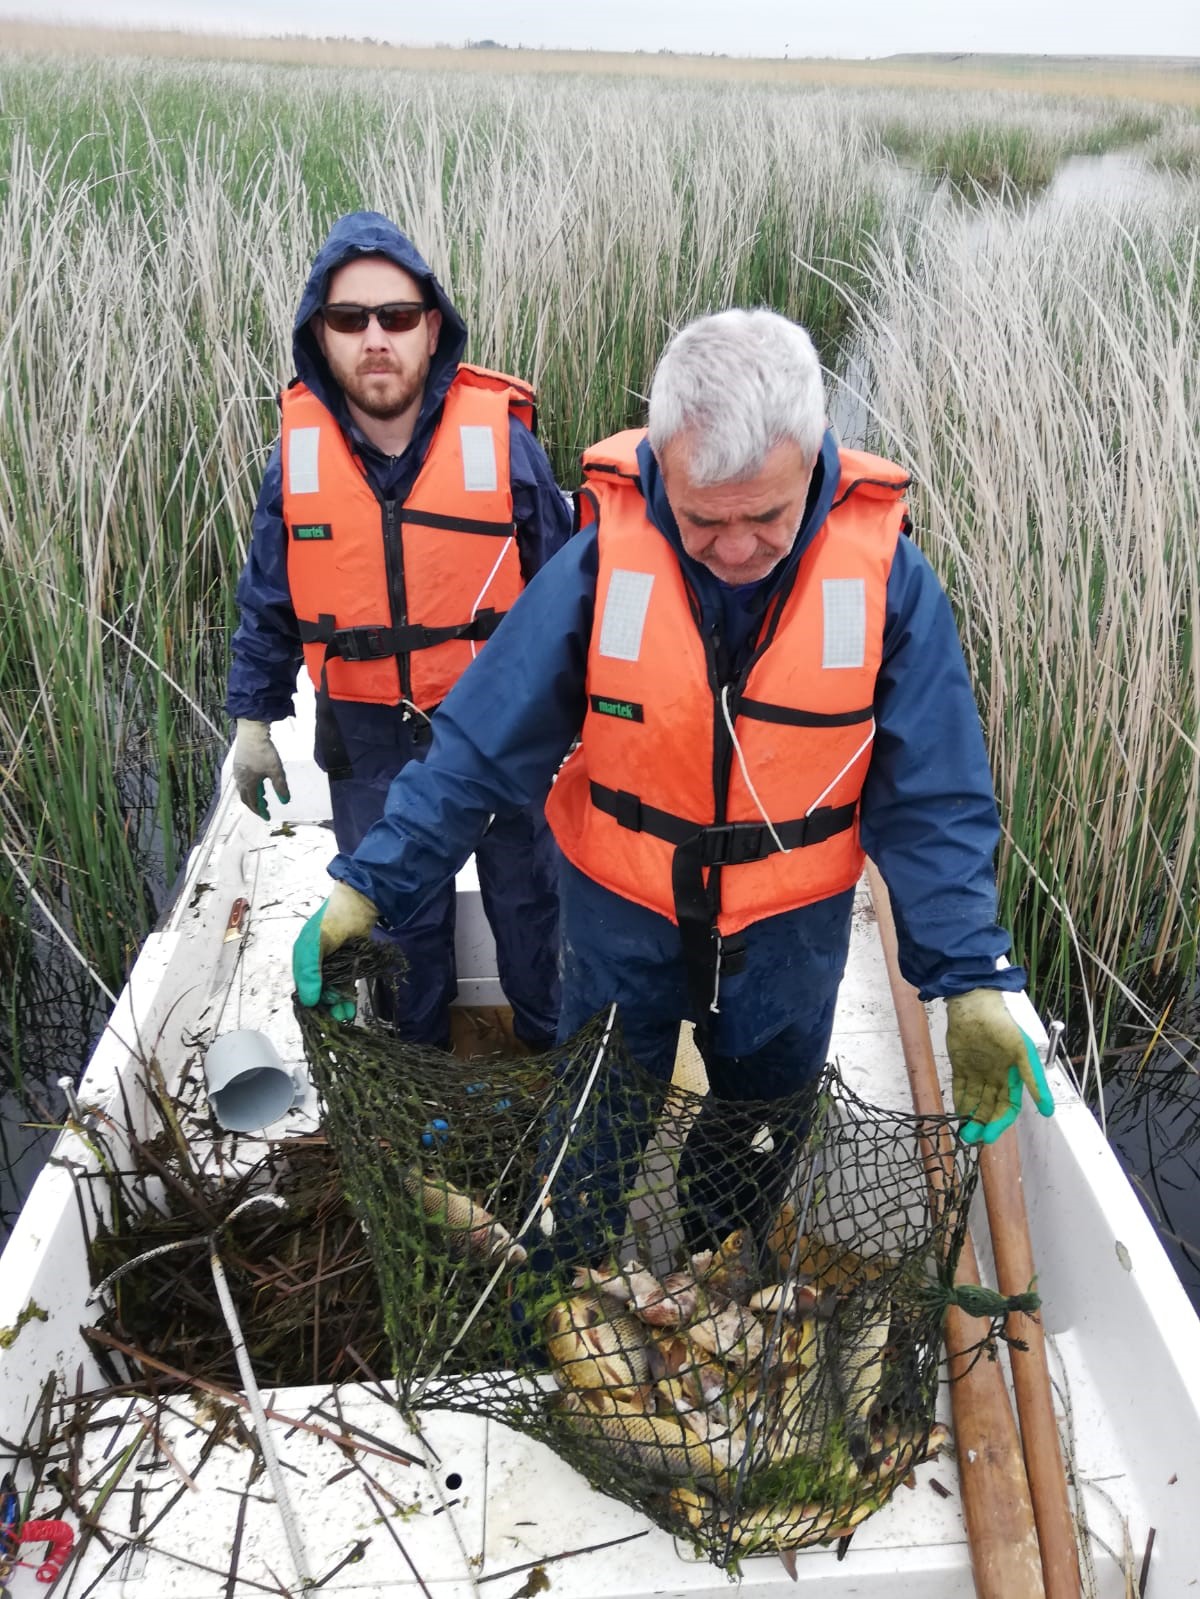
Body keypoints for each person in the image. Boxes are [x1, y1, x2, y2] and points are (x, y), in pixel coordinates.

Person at [292, 306, 1052, 1254]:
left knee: (756, 1127)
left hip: (788, 933)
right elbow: (481, 745)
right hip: (621, 913)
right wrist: (371, 884)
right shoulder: (604, 560)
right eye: (703, 520)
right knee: (593, 1121)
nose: (735, 549)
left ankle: (713, 1252)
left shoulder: (891, 582)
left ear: (814, 462)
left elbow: (933, 798)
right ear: (660, 475)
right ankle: (576, 1266)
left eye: (766, 517)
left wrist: (969, 977)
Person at [227, 211, 569, 1050]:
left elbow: (568, 595)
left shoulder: (506, 444)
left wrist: (583, 727)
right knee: (399, 921)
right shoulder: (294, 462)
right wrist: (253, 719)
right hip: (368, 731)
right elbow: (270, 598)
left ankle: (546, 1050)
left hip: (502, 729)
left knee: (529, 906)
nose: (375, 338)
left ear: (432, 326)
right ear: (320, 333)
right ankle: (423, 1076)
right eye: (350, 320)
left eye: (397, 316)